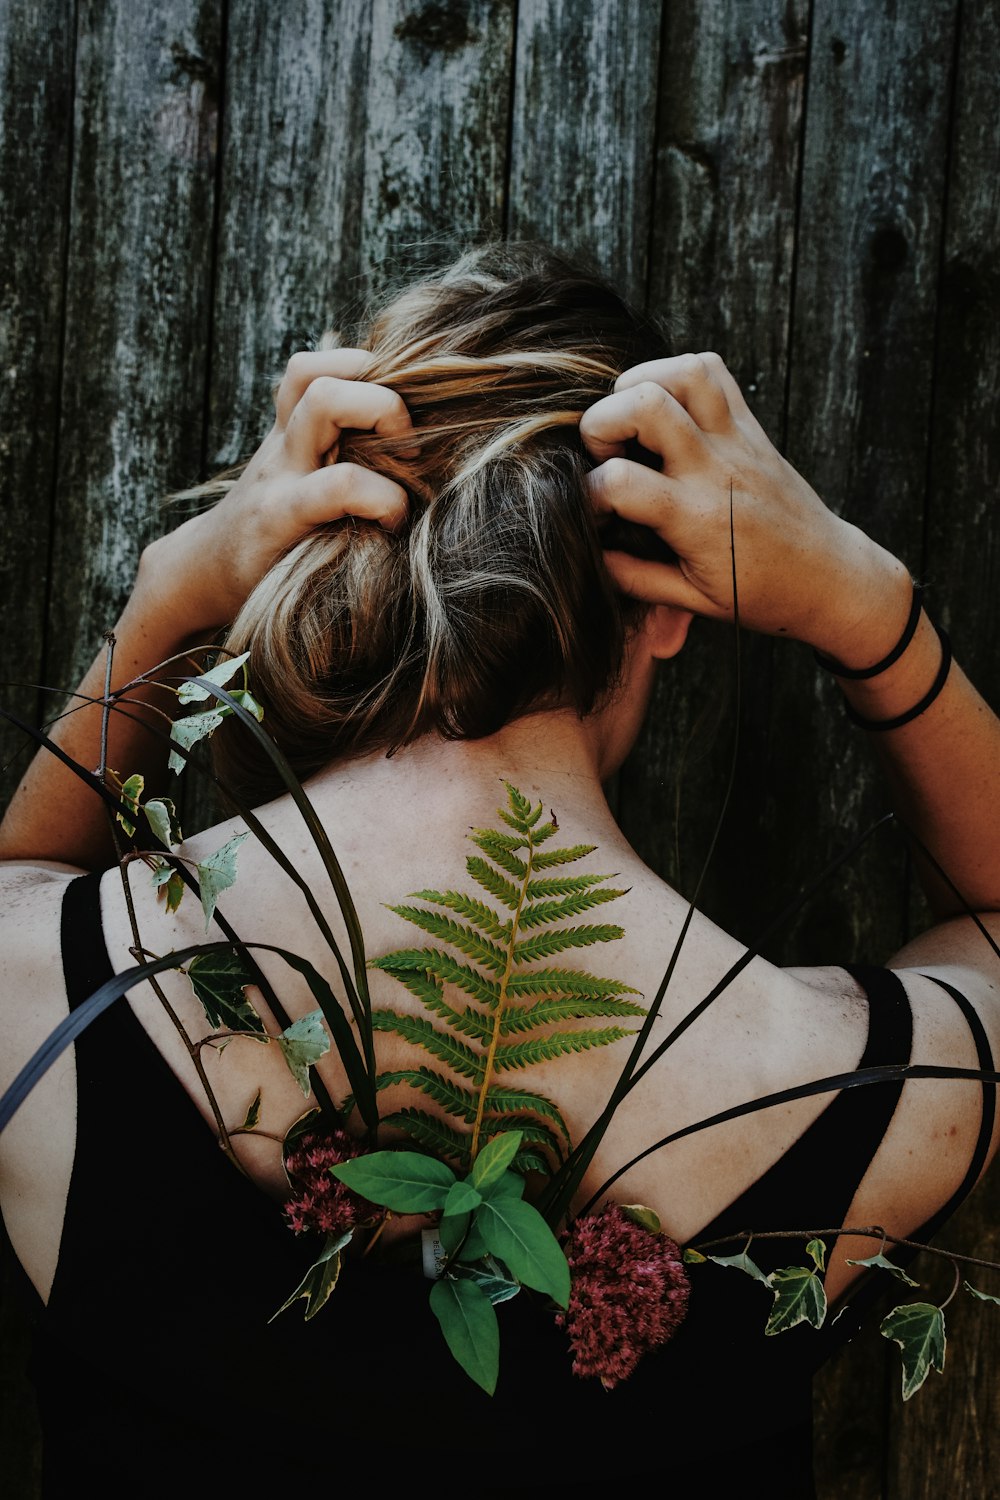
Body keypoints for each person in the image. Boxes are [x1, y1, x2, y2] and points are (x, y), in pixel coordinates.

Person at [1, 243, 998, 1495]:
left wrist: (165, 600)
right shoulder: (863, 1091)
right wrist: (870, 606)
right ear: (674, 602)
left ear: (316, 561)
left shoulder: (38, 984)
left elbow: (30, 865)